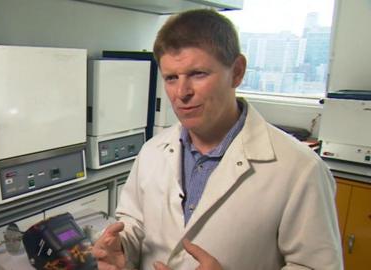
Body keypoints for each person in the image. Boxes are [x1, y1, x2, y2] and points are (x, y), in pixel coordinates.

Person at [92, 8, 343, 270]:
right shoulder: (152, 151)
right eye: (171, 78)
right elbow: (135, 225)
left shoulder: (301, 169)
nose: (182, 93)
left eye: (198, 74)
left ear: (237, 72)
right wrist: (121, 247)